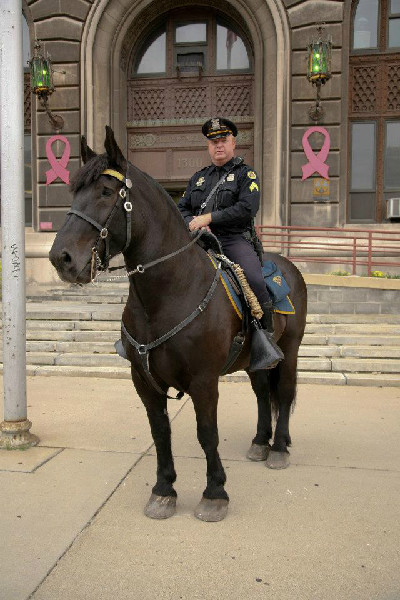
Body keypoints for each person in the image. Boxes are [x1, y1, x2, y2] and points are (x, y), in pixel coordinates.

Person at [178, 117, 283, 369]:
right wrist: (192, 221)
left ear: (234, 143)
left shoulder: (246, 174)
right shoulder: (199, 178)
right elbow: (181, 208)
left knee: (254, 279)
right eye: (213, 142)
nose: (218, 146)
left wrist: (209, 217)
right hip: (201, 241)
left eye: (223, 140)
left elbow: (247, 208)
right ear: (208, 146)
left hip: (233, 240)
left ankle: (265, 339)